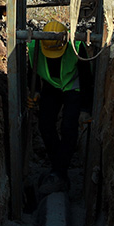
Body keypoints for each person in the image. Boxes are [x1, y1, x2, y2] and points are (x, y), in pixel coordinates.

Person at [27, 19, 84, 184]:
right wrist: (35, 91)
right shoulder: (34, 48)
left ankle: (60, 171)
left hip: (73, 87)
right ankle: (57, 166)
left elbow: (87, 77)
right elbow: (31, 72)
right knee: (45, 125)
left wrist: (86, 108)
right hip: (51, 86)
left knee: (68, 127)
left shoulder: (77, 47)